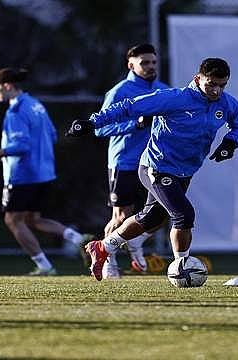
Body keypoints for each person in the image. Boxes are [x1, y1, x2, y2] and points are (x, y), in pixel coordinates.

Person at [66, 58, 238, 281]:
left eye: (222, 85)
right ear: (197, 79)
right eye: (211, 84)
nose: (216, 91)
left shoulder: (226, 104)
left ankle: (102, 247)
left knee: (151, 218)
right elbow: (129, 107)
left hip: (185, 170)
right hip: (157, 166)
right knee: (183, 215)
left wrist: (231, 143)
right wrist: (92, 123)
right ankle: (183, 268)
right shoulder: (174, 98)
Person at [0, 67, 92, 276]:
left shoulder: (16, 111)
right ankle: (79, 239)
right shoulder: (36, 105)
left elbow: (22, 146)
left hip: (23, 175)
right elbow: (53, 134)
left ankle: (44, 266)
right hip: (44, 173)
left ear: (7, 86)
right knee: (33, 219)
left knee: (12, 220)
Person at [92, 44, 169, 279]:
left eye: (153, 62)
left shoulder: (163, 90)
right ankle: (108, 259)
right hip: (124, 162)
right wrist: (135, 124)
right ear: (131, 65)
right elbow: (99, 129)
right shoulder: (119, 91)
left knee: (165, 210)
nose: (150, 67)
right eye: (145, 62)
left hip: (154, 162)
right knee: (121, 217)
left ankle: (136, 241)